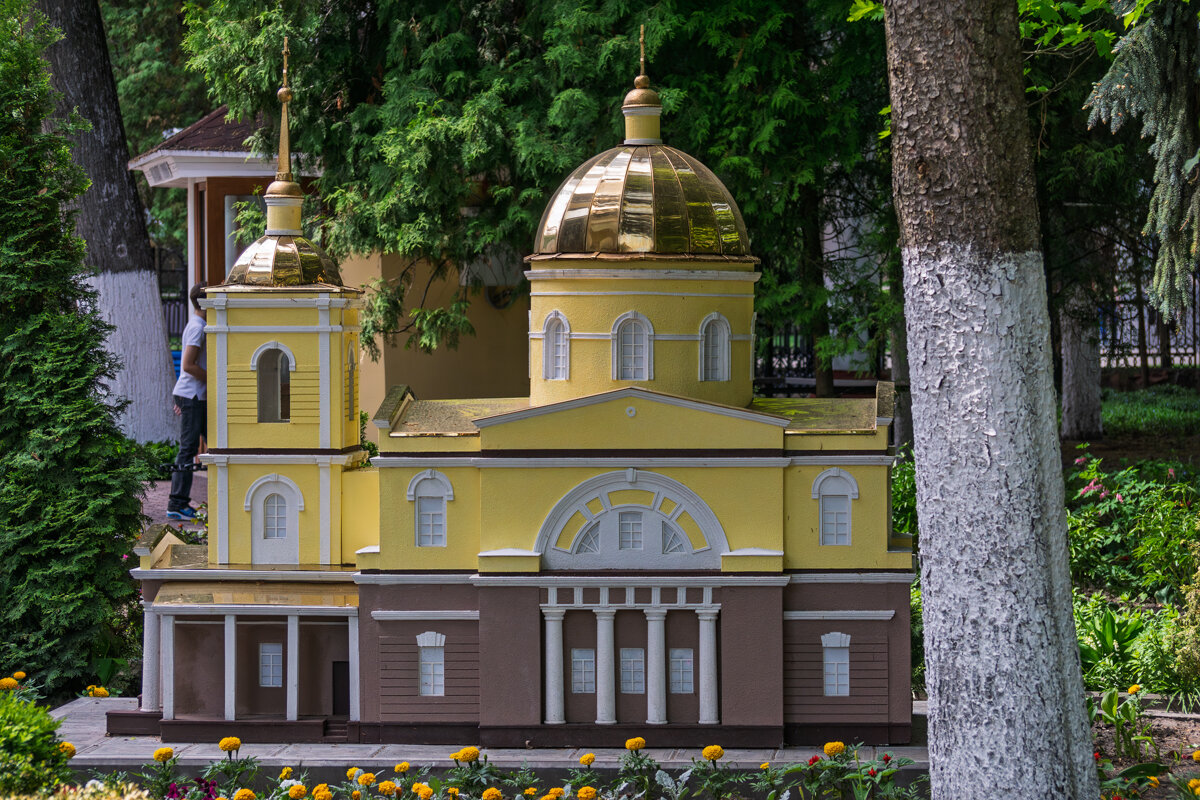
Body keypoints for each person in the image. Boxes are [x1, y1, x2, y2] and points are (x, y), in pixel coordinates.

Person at [167, 282, 207, 520]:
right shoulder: (197, 327)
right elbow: (189, 365)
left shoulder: (200, 325)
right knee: (188, 450)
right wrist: (214, 380)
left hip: (194, 396)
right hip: (192, 395)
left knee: (218, 442)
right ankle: (176, 504)